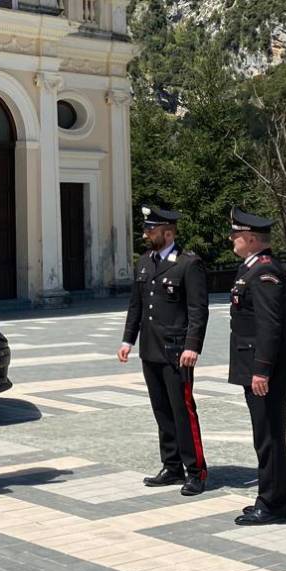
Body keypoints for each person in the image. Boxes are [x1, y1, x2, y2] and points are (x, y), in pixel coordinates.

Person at [119, 205, 210, 496]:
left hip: (176, 351)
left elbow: (198, 310)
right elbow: (136, 305)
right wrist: (127, 340)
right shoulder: (145, 262)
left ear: (168, 232)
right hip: (150, 349)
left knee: (183, 411)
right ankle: (171, 466)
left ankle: (195, 470)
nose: (146, 234)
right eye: (146, 229)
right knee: (161, 410)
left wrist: (192, 346)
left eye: (151, 230)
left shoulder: (188, 263)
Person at [227, 207, 286, 525]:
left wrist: (261, 369)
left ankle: (271, 503)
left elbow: (271, 326)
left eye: (236, 235)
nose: (232, 239)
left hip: (266, 369)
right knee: (268, 433)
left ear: (251, 238)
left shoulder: (264, 271)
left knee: (268, 435)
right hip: (257, 365)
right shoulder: (253, 268)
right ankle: (281, 497)